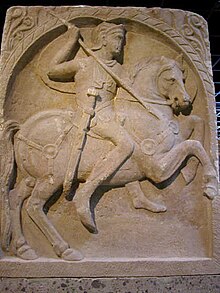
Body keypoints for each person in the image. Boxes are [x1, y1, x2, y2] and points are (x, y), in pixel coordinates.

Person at [48, 22, 135, 232]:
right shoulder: (84, 64)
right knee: (126, 144)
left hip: (109, 116)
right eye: (117, 39)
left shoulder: (119, 70)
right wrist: (71, 40)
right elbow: (52, 71)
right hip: (90, 117)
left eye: (122, 41)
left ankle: (137, 195)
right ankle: (86, 193)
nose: (120, 45)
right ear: (103, 39)